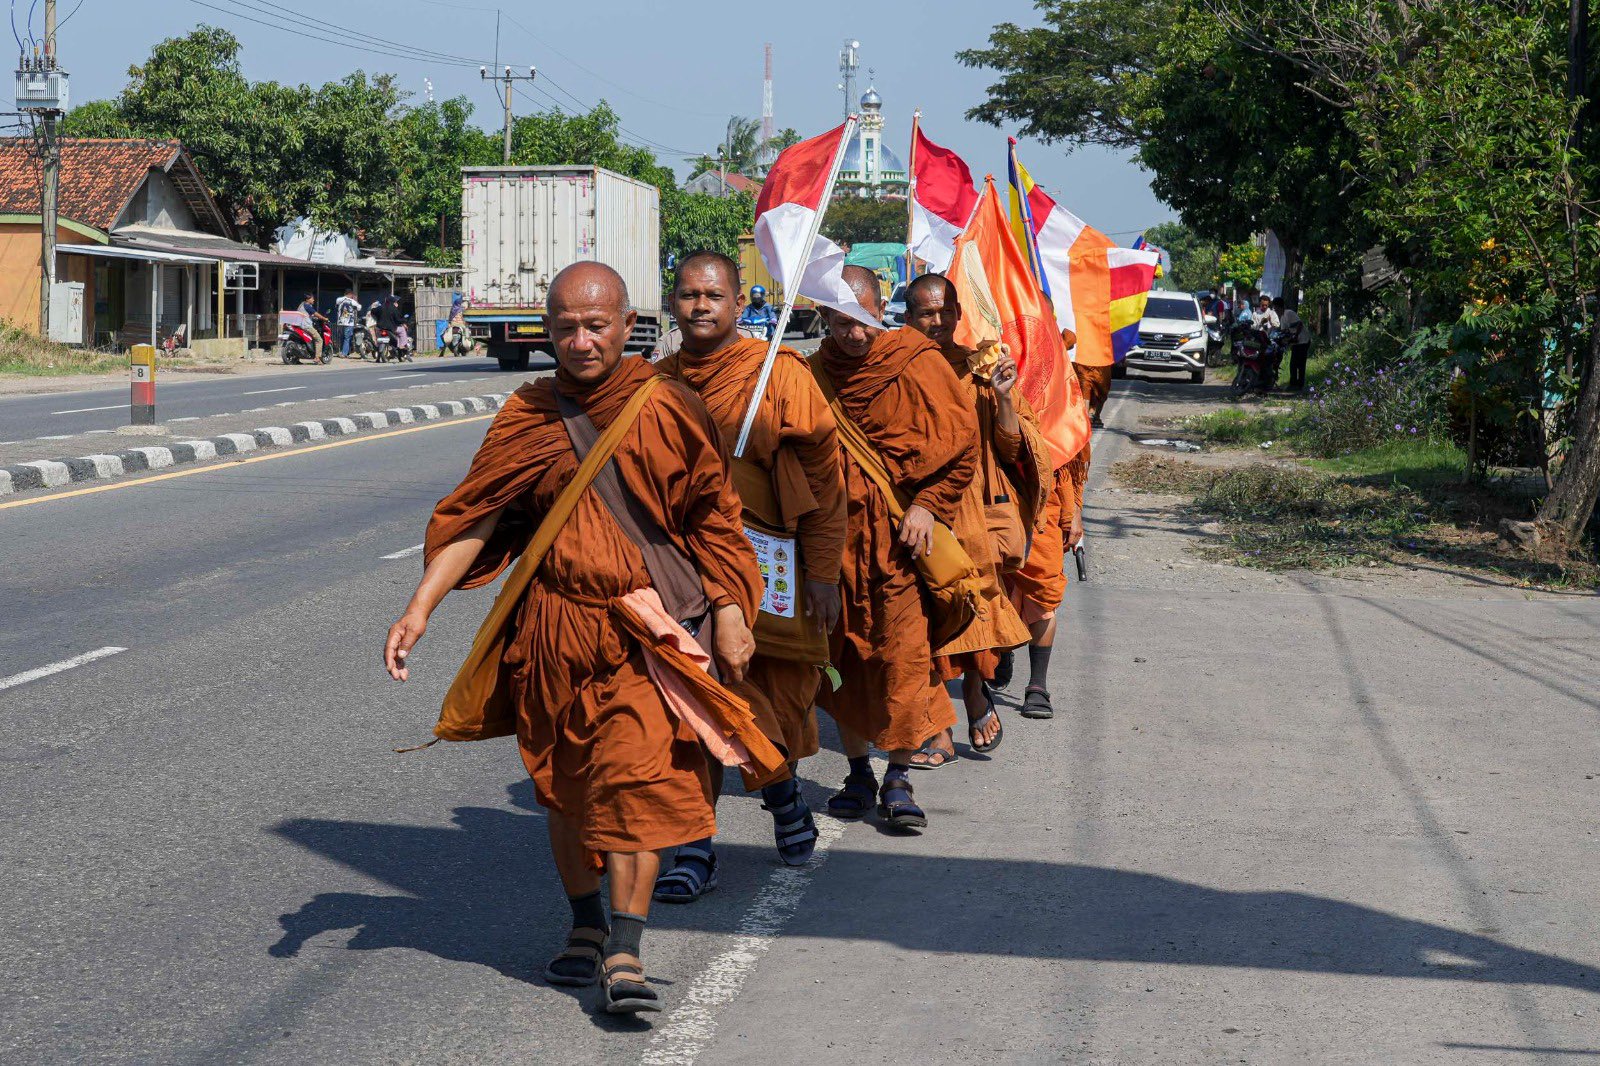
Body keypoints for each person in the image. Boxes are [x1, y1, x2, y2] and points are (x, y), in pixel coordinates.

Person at [383, 262, 763, 1014]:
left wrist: (729, 609)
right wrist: (420, 605)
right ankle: (585, 921)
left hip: (645, 631)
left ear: (628, 326)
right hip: (554, 629)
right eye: (566, 327)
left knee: (637, 782)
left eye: (597, 325)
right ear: (547, 330)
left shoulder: (669, 406)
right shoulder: (528, 412)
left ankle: (626, 945)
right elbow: (479, 516)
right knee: (564, 789)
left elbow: (714, 519)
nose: (582, 341)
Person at [651, 250, 846, 898]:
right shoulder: (654, 385)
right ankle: (693, 846)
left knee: (764, 706)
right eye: (688, 295)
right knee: (688, 703)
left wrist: (823, 576)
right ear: (672, 305)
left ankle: (784, 795)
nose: (700, 305)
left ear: (741, 304)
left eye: (713, 295)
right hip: (683, 575)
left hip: (769, 573)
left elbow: (825, 486)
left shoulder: (779, 376)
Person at [812, 265, 978, 832]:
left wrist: (928, 505)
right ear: (825, 316)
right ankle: (859, 772)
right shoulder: (813, 375)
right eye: (841, 321)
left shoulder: (913, 360)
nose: (854, 334)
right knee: (845, 661)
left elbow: (962, 448)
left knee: (905, 660)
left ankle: (899, 776)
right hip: (835, 548)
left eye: (864, 319)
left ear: (880, 310)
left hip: (901, 548)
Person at [899, 274, 1051, 767]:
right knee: (921, 623)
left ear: (960, 316)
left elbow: (1010, 448)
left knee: (972, 607)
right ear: (908, 319)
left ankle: (977, 693)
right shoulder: (892, 373)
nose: (937, 321)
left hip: (971, 520)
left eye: (945, 312)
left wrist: (1005, 396)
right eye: (926, 313)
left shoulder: (981, 372)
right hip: (913, 515)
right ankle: (939, 729)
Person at [1276, 297, 1310, 391]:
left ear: (1280, 307)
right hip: (1296, 342)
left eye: (1277, 308)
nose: (1276, 310)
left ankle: (1300, 385)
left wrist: (1295, 336)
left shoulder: (1289, 313)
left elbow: (1299, 324)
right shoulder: (1282, 317)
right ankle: (1294, 384)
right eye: (1275, 309)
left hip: (1303, 340)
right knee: (1293, 364)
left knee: (1300, 364)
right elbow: (1283, 331)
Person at [296, 293, 328, 362]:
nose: (313, 300)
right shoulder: (307, 306)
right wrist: (324, 318)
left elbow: (309, 314)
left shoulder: (301, 305)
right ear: (308, 299)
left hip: (299, 325)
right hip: (306, 326)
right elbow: (316, 313)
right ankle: (317, 357)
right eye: (312, 298)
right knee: (319, 340)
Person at [334, 289, 361, 358]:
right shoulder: (352, 301)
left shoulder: (339, 299)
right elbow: (359, 308)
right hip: (349, 323)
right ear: (350, 294)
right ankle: (344, 353)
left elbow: (337, 304)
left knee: (342, 337)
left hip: (340, 322)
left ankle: (341, 351)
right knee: (347, 338)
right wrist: (355, 300)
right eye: (352, 295)